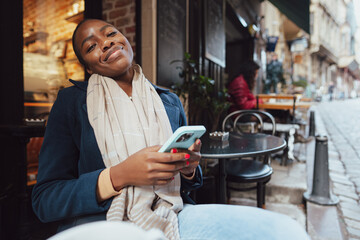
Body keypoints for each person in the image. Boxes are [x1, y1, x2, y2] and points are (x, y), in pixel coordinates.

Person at [32, 19, 310, 240]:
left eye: (110, 33)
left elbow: (189, 183)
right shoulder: (72, 103)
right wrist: (118, 176)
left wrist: (188, 167)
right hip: (104, 224)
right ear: (89, 68)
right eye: (91, 46)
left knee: (284, 231)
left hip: (172, 215)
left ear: (125, 40)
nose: (105, 43)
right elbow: (45, 199)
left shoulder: (168, 101)